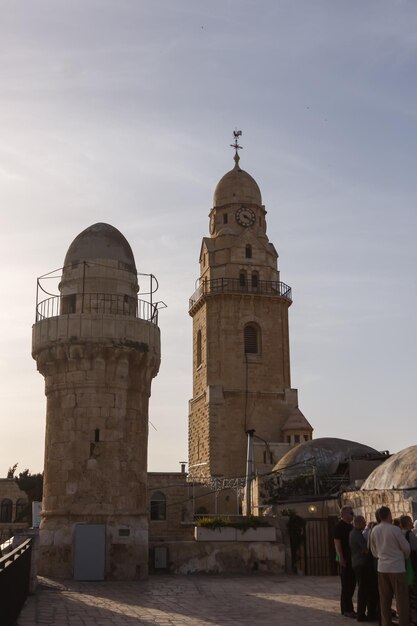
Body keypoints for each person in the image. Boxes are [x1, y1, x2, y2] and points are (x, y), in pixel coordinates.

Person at [370, 506, 410, 626]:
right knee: (401, 599)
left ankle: (386, 623)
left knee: (384, 600)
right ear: (389, 515)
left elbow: (373, 550)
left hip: (382, 567)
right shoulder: (395, 529)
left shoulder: (374, 530)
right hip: (397, 567)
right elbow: (406, 547)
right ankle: (403, 623)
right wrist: (404, 557)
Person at [350, 515, 378, 622]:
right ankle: (361, 614)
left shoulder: (354, 533)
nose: (365, 524)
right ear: (358, 523)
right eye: (363, 523)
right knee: (363, 590)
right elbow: (365, 550)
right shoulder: (357, 534)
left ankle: (363, 613)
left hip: (357, 563)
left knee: (363, 589)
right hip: (361, 564)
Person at [334, 505, 356, 618]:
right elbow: (337, 543)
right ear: (344, 514)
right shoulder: (339, 526)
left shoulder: (350, 526)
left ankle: (348, 609)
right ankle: (347, 610)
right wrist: (341, 557)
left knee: (351, 584)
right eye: (350, 513)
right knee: (347, 585)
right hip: (345, 559)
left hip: (352, 559)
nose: (352, 515)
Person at [399, 515, 417, 626]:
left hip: (402, 566)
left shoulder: (399, 533)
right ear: (407, 523)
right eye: (410, 521)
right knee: (414, 595)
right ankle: (414, 618)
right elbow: (415, 549)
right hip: (412, 566)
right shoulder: (409, 534)